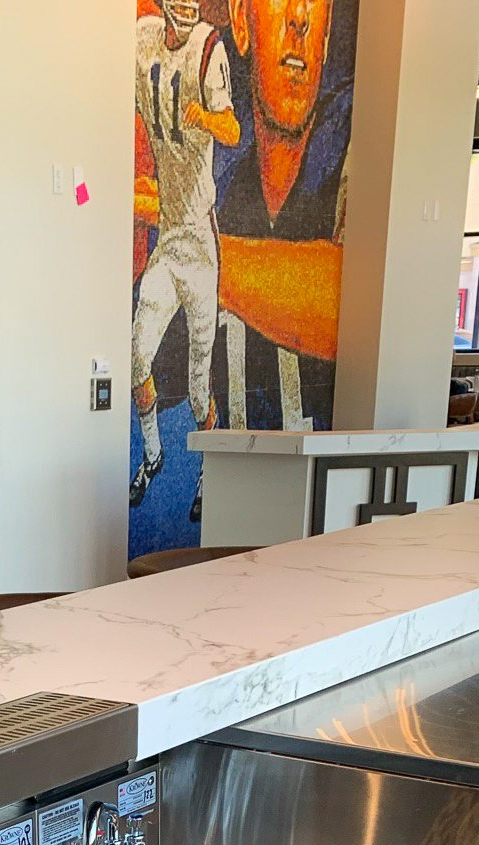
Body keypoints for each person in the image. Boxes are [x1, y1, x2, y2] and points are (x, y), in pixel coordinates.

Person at [215, 0, 350, 433]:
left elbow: (353, 303)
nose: (299, 17)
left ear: (326, 36)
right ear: (241, 21)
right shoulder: (226, 181)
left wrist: (193, 254)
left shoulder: (361, 132)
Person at [130, 0, 240, 513]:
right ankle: (153, 455)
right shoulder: (142, 39)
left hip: (198, 242)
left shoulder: (207, 49)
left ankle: (207, 473)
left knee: (199, 384)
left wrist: (207, 118)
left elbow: (234, 130)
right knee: (135, 358)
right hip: (168, 237)